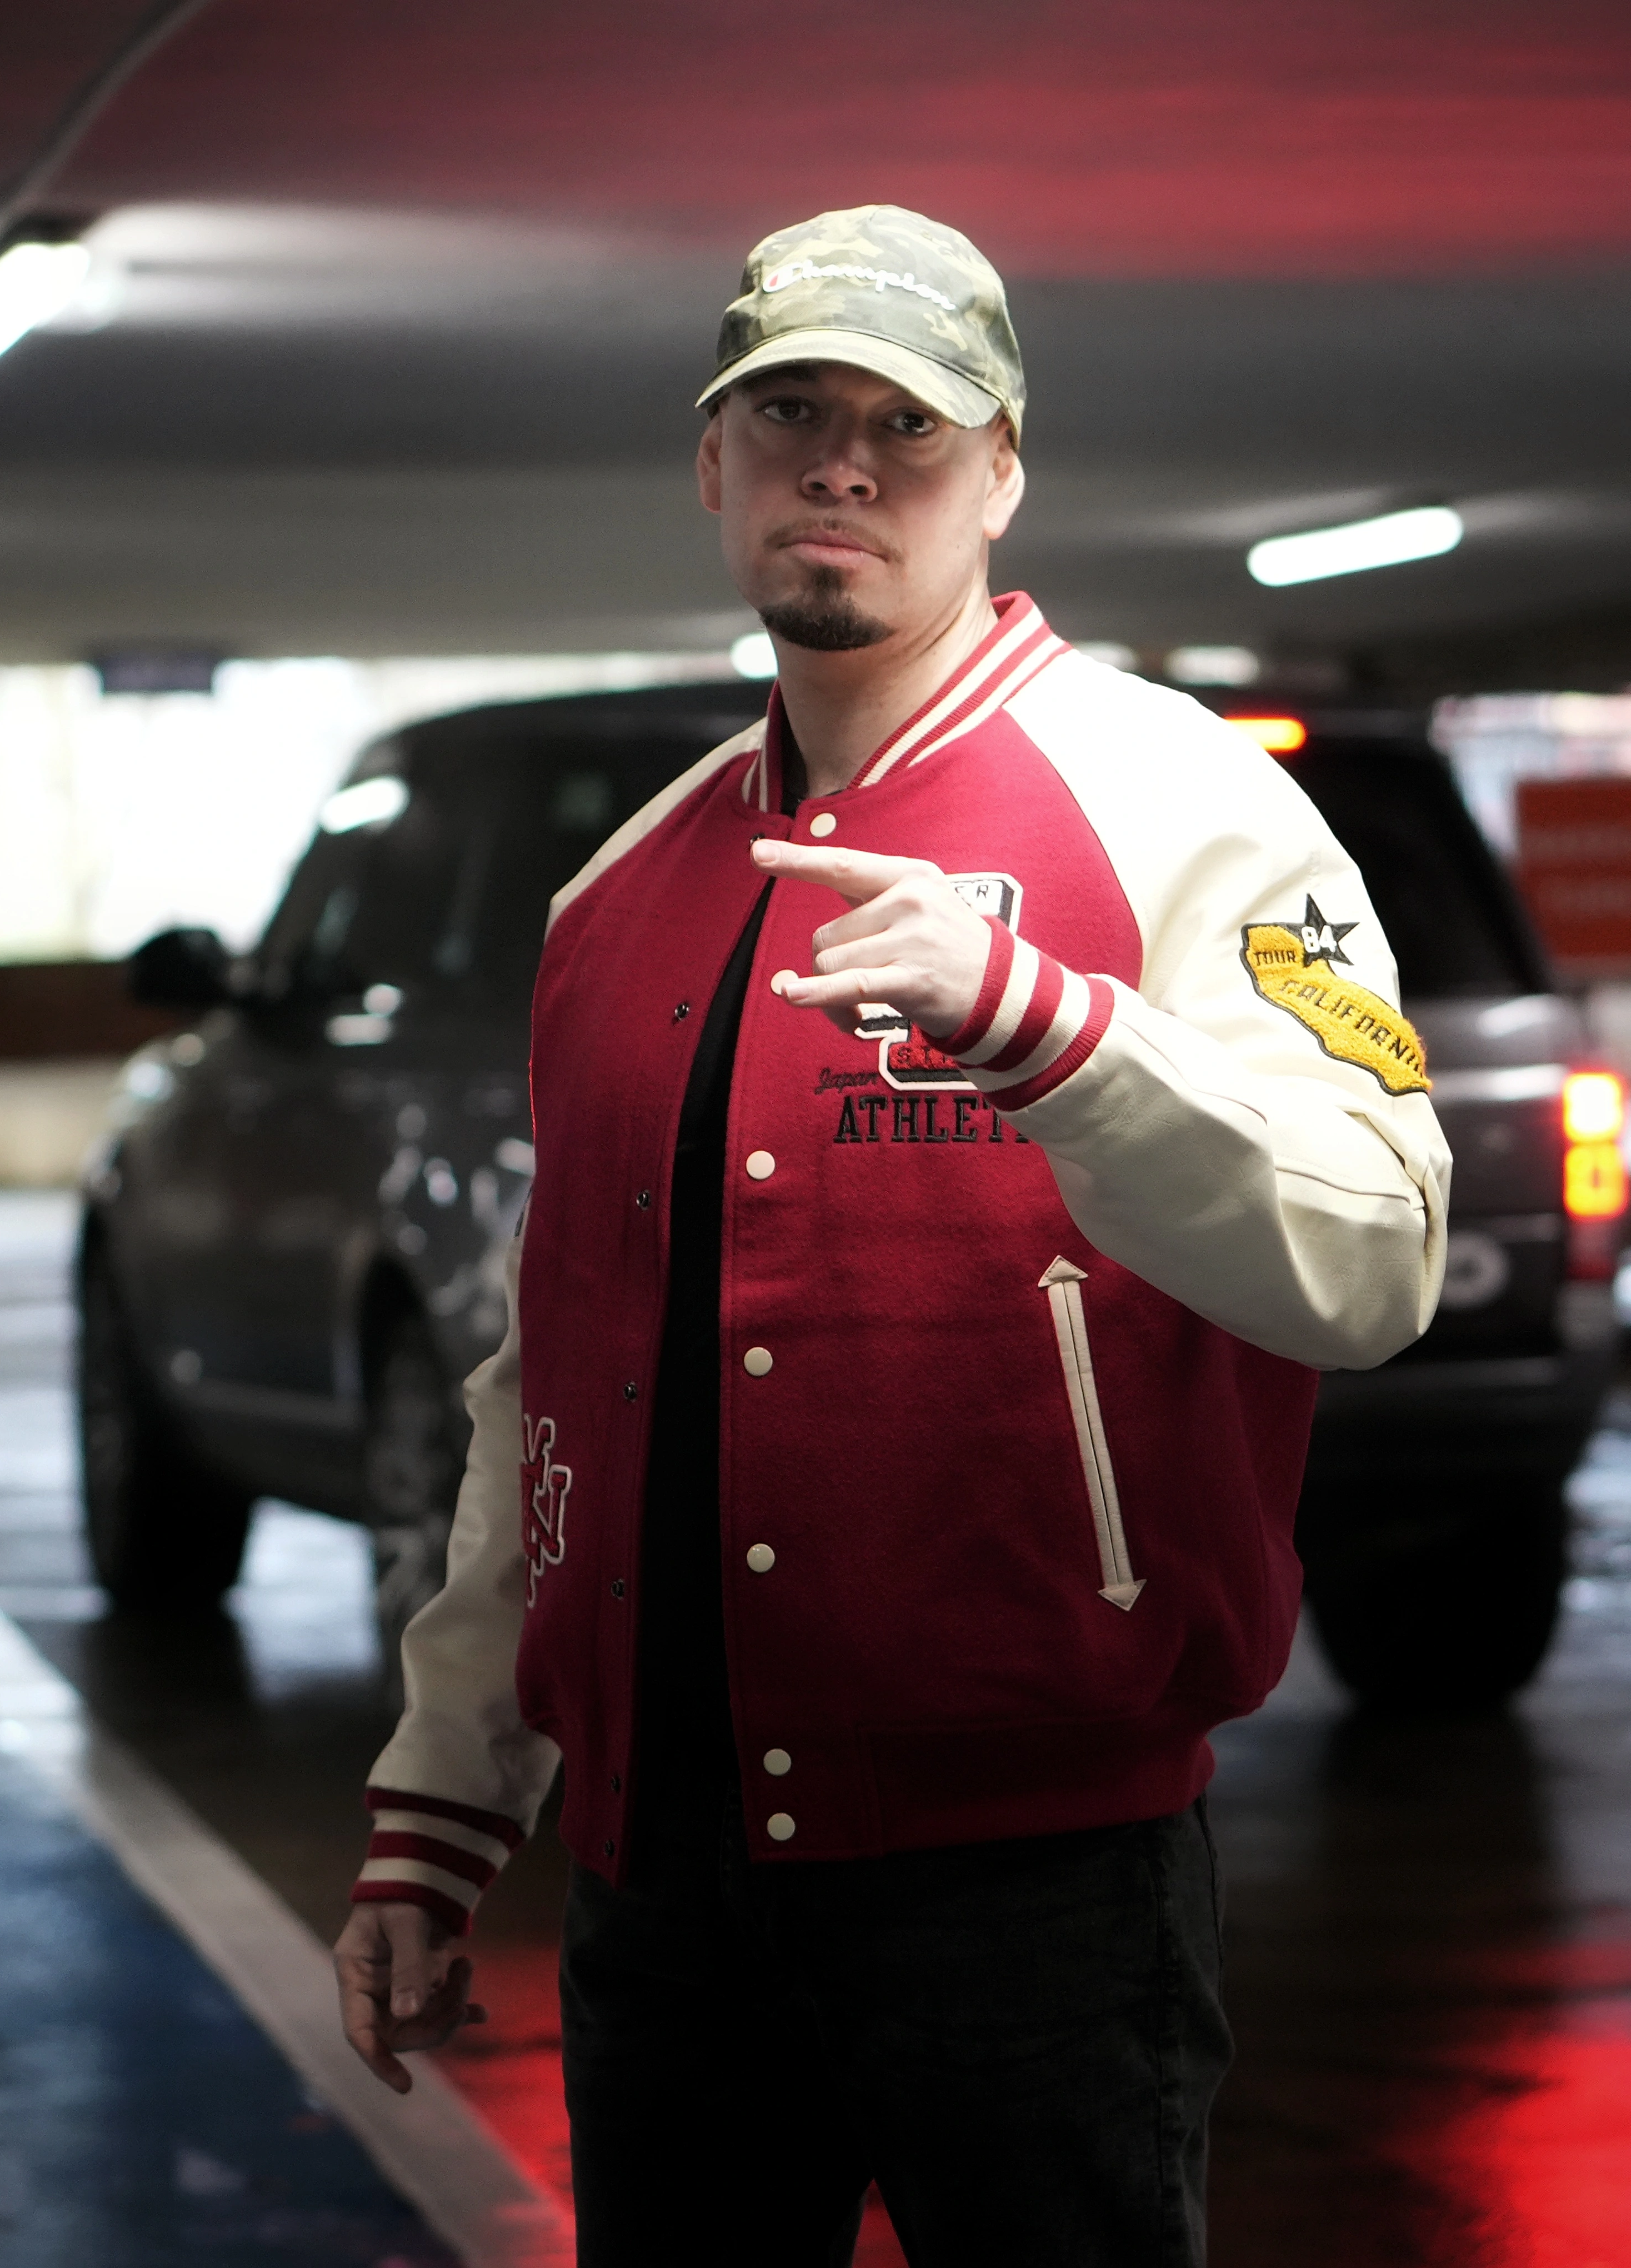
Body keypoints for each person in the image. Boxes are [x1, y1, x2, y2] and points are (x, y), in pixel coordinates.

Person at [333, 203, 1448, 2266]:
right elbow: (554, 1379)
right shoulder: (615, 897)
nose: (842, 467)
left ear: (1001, 472)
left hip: (1034, 1889)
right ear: (714, 464)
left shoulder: (1191, 812)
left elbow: (1378, 1259)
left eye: (908, 427)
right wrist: (445, 1795)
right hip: (664, 1887)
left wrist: (1054, 1032)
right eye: (790, 418)